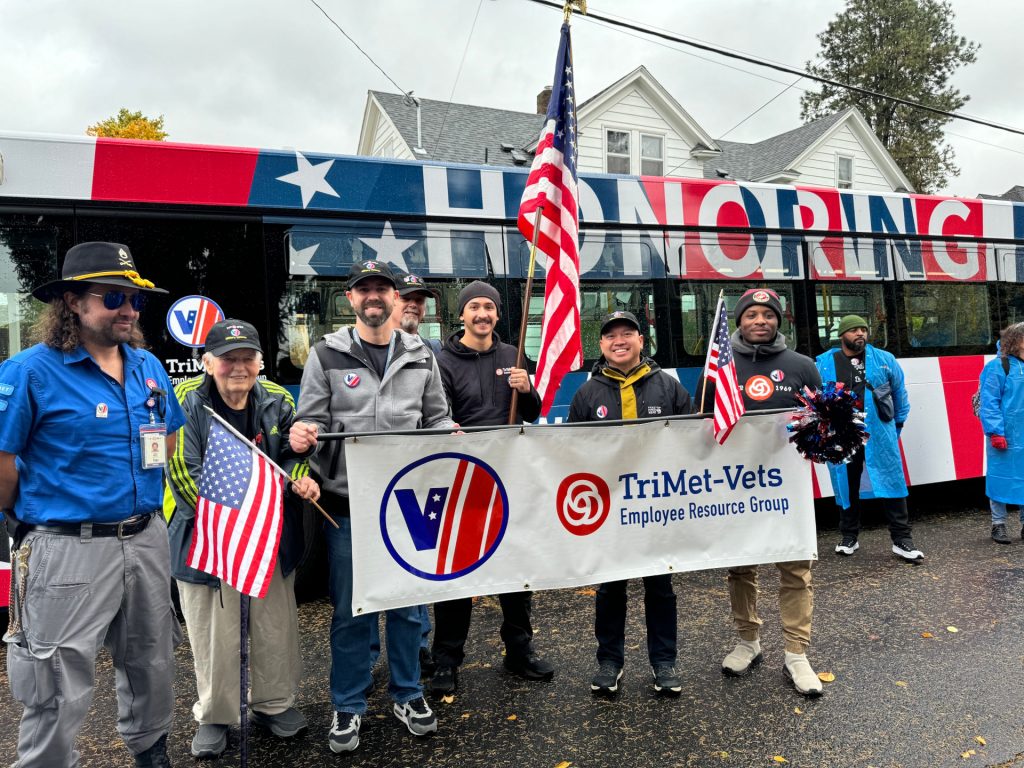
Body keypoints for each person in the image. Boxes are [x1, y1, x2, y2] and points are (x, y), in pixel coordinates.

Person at [0, 242, 186, 767]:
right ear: (73, 303)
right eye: (112, 297)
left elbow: (166, 441)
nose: (127, 309)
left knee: (152, 662)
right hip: (67, 547)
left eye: (135, 300)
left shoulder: (148, 365)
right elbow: (3, 462)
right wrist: (29, 521)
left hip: (146, 538)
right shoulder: (29, 371)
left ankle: (152, 756)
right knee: (55, 679)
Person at [290, 259, 456, 754]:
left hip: (410, 501)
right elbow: (310, 421)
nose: (374, 297)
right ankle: (348, 703)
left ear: (395, 296)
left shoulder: (422, 354)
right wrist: (303, 436)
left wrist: (450, 435)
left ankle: (408, 694)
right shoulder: (325, 354)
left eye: (382, 288)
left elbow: (437, 419)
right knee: (351, 610)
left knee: (408, 605)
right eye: (365, 290)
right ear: (351, 299)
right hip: (347, 504)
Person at [166, 319, 320, 758]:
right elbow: (181, 470)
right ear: (207, 361)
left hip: (269, 533)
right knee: (214, 630)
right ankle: (216, 714)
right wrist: (235, 521)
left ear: (260, 362)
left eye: (247, 357)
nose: (238, 367)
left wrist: (301, 480)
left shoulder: (278, 398)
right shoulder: (185, 400)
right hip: (205, 535)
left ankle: (274, 703)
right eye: (227, 358)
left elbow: (297, 455)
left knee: (274, 624)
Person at [695, 288, 824, 697]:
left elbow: (823, 424)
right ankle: (748, 641)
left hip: (787, 491)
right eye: (751, 314)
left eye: (767, 315)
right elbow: (700, 426)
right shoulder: (718, 367)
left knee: (795, 571)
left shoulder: (803, 366)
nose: (759, 321)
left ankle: (796, 653)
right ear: (739, 321)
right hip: (737, 489)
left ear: (778, 321)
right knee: (740, 568)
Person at [428, 281, 554, 696]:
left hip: (510, 481)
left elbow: (533, 414)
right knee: (457, 575)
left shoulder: (512, 356)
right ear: (461, 314)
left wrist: (527, 389)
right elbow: (441, 417)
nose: (482, 314)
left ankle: (519, 650)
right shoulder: (442, 361)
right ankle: (446, 660)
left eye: (489, 307)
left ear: (498, 315)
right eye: (474, 307)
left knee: (515, 574)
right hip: (462, 484)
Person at [567, 310, 691, 697]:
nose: (619, 341)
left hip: (656, 508)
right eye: (610, 336)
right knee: (610, 589)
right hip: (609, 509)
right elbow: (571, 449)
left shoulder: (668, 386)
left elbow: (691, 438)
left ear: (641, 340)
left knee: (660, 587)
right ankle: (610, 661)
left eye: (627, 334)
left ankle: (664, 663)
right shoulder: (587, 392)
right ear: (601, 345)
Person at [815, 315, 920, 561]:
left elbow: (899, 395)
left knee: (892, 482)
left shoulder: (884, 359)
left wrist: (896, 427)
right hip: (842, 435)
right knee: (846, 484)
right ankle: (849, 536)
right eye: (854, 330)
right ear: (842, 335)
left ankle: (902, 540)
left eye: (863, 329)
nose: (860, 333)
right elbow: (817, 399)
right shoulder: (824, 362)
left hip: (879, 433)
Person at [980, 322, 1024, 543]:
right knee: (999, 478)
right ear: (1016, 341)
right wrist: (995, 432)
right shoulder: (998, 366)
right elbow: (989, 402)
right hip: (1005, 435)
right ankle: (998, 525)